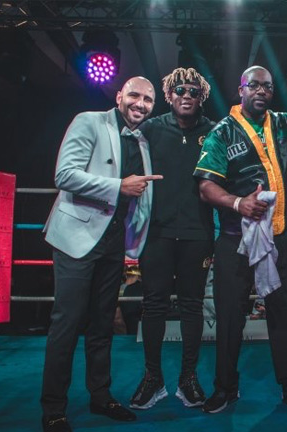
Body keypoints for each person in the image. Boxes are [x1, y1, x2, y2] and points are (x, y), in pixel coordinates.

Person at [193, 66, 287, 415]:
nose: (261, 91)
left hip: (284, 237)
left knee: (285, 316)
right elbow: (205, 187)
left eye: (267, 86)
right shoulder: (222, 132)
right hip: (236, 240)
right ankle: (225, 388)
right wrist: (237, 203)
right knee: (230, 318)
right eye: (254, 85)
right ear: (240, 88)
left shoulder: (286, 123)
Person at [41, 77, 161, 432]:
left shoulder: (142, 139)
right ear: (119, 95)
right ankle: (53, 409)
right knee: (66, 326)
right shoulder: (90, 120)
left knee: (102, 325)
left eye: (149, 100)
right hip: (77, 238)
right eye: (135, 95)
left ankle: (101, 396)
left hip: (113, 243)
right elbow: (64, 174)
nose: (141, 104)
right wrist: (118, 186)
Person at [129, 67, 215, 410]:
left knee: (193, 306)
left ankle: (188, 377)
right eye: (180, 89)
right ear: (169, 94)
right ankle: (153, 378)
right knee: (153, 306)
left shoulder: (214, 131)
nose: (186, 95)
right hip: (158, 232)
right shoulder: (150, 128)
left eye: (194, 91)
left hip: (198, 233)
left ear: (201, 97)